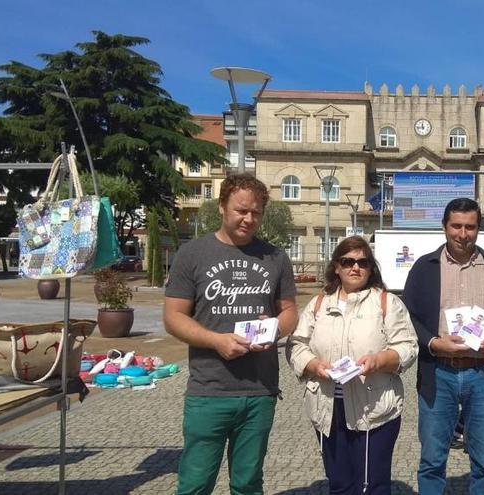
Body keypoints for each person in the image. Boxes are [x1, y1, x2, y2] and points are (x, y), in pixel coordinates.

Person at [164, 173, 299, 494]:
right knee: (195, 483)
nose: (248, 219)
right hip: (209, 389)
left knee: (248, 483)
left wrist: (275, 328)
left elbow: (291, 311)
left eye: (256, 212)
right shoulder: (193, 254)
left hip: (260, 390)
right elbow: (173, 317)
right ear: (222, 207)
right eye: (241, 210)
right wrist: (216, 341)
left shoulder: (275, 257)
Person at [402, 197, 484, 495]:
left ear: (478, 229)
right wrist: (433, 342)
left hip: (483, 374)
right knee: (432, 459)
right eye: (456, 226)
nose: (462, 233)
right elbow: (408, 317)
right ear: (444, 227)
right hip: (438, 373)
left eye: (470, 227)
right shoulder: (424, 267)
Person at [287, 236, 418, 494]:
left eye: (362, 262)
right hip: (328, 408)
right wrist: (313, 365)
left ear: (371, 268)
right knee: (340, 483)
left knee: (373, 484)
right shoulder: (319, 304)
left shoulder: (387, 303)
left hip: (374, 407)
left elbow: (408, 346)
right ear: (337, 266)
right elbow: (296, 345)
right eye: (347, 261)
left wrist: (379, 361)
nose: (355, 268)